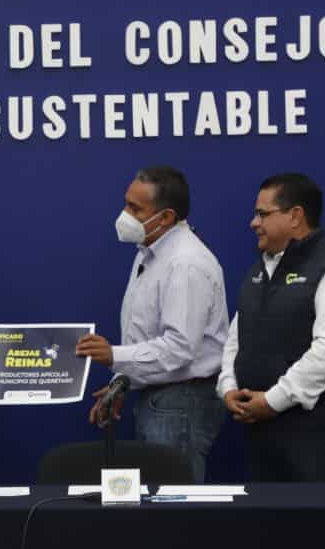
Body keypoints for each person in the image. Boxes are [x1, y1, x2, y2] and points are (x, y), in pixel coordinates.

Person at [76, 166, 229, 482]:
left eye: (135, 209)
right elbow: (145, 330)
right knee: (158, 507)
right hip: (160, 396)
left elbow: (179, 348)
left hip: (181, 402)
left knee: (175, 505)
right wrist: (124, 379)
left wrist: (114, 356)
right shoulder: (150, 250)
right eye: (126, 204)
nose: (124, 216)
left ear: (166, 218)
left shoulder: (185, 263)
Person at [217, 173, 325, 481]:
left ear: (295, 216)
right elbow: (237, 338)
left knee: (313, 527)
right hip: (259, 431)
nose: (253, 223)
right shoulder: (259, 270)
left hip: (317, 438)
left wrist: (273, 400)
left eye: (263, 214)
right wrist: (228, 388)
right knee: (267, 527)